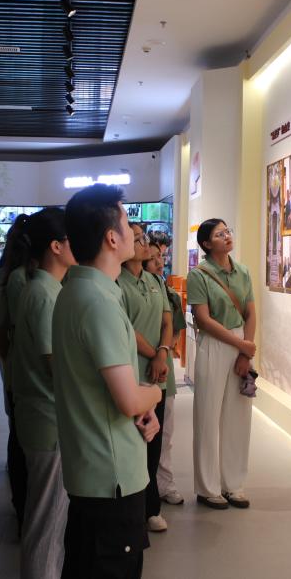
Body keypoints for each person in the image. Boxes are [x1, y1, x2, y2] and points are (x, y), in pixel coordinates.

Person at [52, 184, 161, 579]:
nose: (134, 232)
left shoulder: (81, 291)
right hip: (110, 476)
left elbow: (107, 388)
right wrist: (154, 393)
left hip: (94, 467)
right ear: (112, 238)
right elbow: (128, 400)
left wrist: (139, 401)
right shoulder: (98, 301)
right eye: (128, 223)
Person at [10, 208, 76, 579]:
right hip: (47, 420)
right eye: (71, 238)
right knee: (47, 524)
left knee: (50, 521)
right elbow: (56, 365)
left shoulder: (47, 288)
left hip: (45, 419)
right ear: (55, 246)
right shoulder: (44, 293)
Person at [187, 218, 256, 511]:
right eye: (219, 234)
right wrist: (241, 345)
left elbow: (250, 313)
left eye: (228, 231)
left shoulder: (243, 272)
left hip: (241, 343)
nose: (227, 236)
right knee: (207, 416)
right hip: (214, 344)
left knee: (238, 417)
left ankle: (234, 485)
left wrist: (246, 350)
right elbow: (203, 320)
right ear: (206, 244)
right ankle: (207, 488)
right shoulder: (198, 275)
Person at [119, 224, 173, 533]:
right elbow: (127, 328)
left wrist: (162, 354)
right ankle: (132, 508)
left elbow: (167, 321)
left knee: (154, 443)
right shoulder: (117, 283)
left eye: (144, 239)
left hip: (158, 373)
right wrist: (154, 355)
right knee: (132, 442)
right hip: (132, 374)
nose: (144, 244)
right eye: (137, 239)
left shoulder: (154, 280)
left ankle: (151, 508)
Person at [0, 214, 33, 529]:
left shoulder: (14, 275)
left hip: (18, 367)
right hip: (26, 371)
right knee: (22, 436)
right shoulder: (23, 279)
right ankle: (24, 508)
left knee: (18, 431)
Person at [146, 242, 186, 507]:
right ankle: (149, 491)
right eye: (153, 258)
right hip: (144, 368)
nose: (160, 262)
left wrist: (163, 350)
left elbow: (173, 328)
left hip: (164, 371)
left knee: (165, 433)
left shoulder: (166, 291)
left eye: (161, 256)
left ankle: (165, 484)